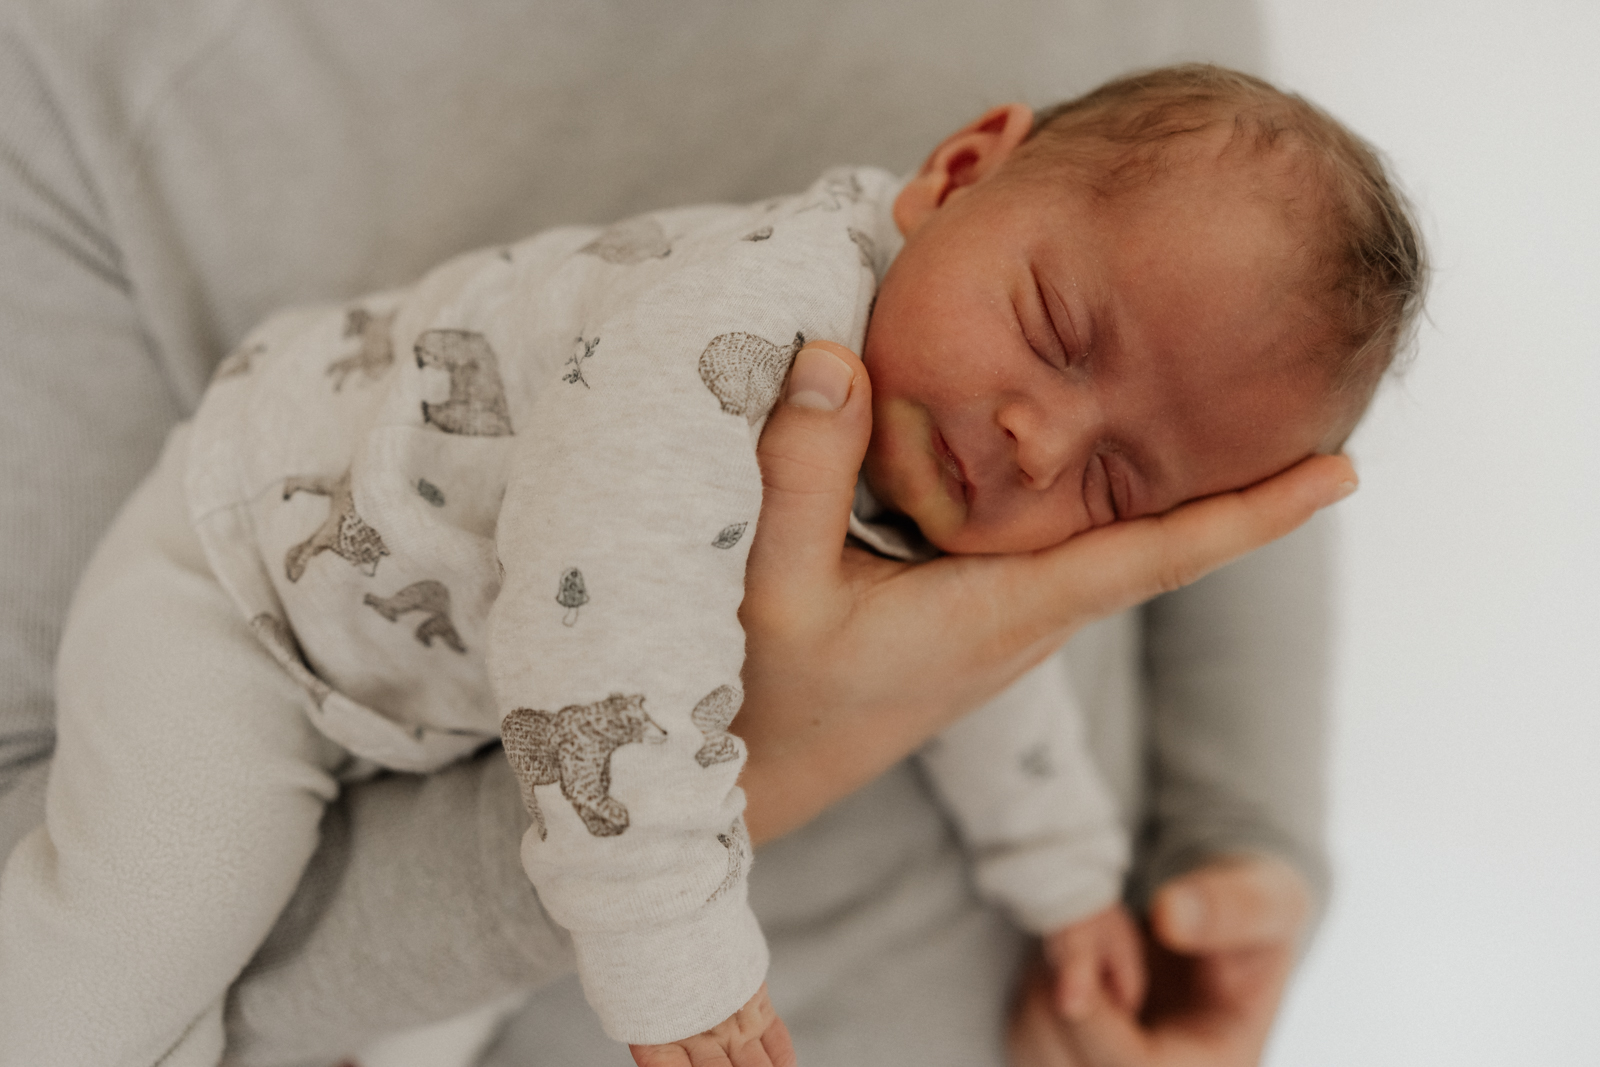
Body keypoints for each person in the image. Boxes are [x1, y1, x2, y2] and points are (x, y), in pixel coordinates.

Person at [0, 3, 1359, 1065]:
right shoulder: (745, 326)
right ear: (954, 174)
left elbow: (988, 664)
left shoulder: (963, 423)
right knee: (142, 936)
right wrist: (670, 935)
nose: (1039, 445)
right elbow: (607, 612)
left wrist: (1067, 879)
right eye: (1056, 332)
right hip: (255, 602)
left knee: (421, 1029)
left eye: (1117, 484)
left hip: (450, 724)